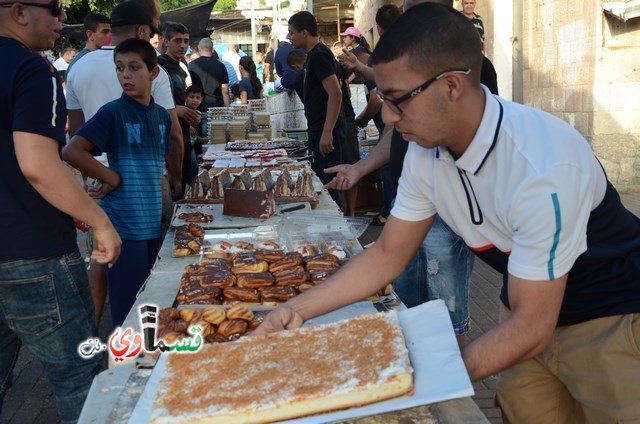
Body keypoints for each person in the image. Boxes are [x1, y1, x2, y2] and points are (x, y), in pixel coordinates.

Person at [258, 3, 640, 423]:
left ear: (452, 86)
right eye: (383, 98)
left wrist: (414, 380)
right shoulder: (427, 150)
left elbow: (533, 328)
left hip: (609, 317)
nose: (386, 116)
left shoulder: (541, 167)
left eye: (398, 100)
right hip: (525, 308)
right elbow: (388, 254)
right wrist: (296, 309)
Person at [0, 2, 121, 421]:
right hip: (32, 252)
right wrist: (100, 221)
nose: (60, 20)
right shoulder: (32, 70)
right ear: (19, 12)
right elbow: (38, 165)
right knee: (80, 378)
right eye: (54, 8)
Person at [65, 1, 184, 328]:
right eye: (120, 68)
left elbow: (163, 151)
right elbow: (73, 150)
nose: (125, 75)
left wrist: (174, 180)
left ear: (153, 73)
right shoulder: (113, 113)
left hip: (148, 220)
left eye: (134, 68)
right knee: (127, 307)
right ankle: (121, 363)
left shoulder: (159, 116)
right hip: (124, 223)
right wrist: (110, 177)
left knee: (149, 299)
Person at [287, 11, 345, 207]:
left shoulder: (319, 55)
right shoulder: (315, 55)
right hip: (319, 129)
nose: (289, 37)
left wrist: (327, 132)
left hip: (324, 131)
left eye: (291, 32)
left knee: (328, 186)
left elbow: (336, 94)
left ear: (304, 33)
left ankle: (338, 231)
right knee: (323, 184)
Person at [158, 22, 201, 192]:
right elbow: (149, 102)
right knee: (176, 188)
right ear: (166, 41)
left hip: (182, 132)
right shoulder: (159, 66)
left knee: (188, 181)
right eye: (177, 40)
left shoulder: (180, 66)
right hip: (168, 136)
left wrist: (189, 114)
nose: (183, 45)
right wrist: (178, 110)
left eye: (186, 41)